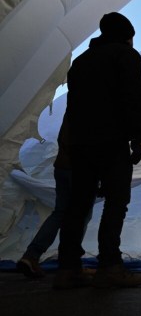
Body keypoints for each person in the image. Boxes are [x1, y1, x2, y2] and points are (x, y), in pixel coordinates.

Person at [55, 12, 141, 289]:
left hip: (82, 143)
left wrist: (70, 145)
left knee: (77, 204)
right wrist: (138, 140)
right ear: (127, 35)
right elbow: (133, 99)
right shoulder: (126, 56)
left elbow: (72, 108)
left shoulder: (81, 62)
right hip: (112, 141)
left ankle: (68, 268)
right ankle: (110, 265)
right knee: (116, 201)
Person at [16, 115, 93, 278]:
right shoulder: (93, 109)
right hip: (80, 170)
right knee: (81, 214)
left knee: (60, 212)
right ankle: (72, 264)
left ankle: (31, 256)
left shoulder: (73, 108)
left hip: (63, 166)